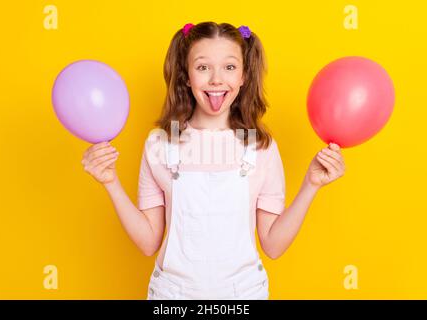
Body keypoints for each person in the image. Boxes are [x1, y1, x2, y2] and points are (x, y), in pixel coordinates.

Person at [80, 22, 346, 300]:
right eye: (203, 67)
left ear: (244, 75)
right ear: (186, 76)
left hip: (243, 294)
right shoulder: (160, 143)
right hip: (173, 295)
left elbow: (273, 245)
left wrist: (311, 185)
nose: (216, 79)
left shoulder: (259, 146)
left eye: (229, 67)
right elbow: (148, 243)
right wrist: (110, 182)